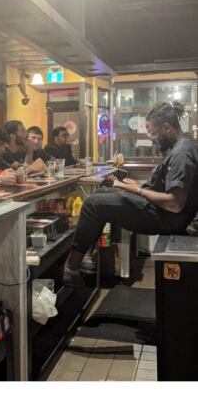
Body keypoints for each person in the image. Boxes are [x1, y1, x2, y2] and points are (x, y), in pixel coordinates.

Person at [63, 102, 198, 286]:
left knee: (93, 204)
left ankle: (72, 268)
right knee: (103, 193)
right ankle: (87, 256)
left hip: (167, 218)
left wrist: (138, 190)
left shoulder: (181, 154)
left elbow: (175, 203)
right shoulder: (183, 146)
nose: (152, 139)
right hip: (164, 213)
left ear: (166, 128)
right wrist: (135, 186)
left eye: (153, 133)